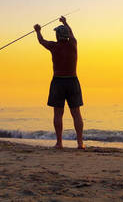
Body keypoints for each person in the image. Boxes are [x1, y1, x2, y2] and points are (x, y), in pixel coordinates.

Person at [34, 16, 85, 149]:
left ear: (57, 35)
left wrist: (38, 30)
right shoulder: (73, 43)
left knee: (58, 113)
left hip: (58, 82)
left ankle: (59, 142)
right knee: (76, 113)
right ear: (67, 35)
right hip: (72, 81)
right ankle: (80, 143)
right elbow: (71, 32)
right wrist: (65, 22)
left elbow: (41, 41)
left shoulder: (54, 46)